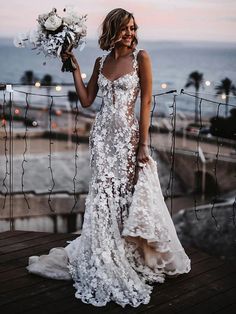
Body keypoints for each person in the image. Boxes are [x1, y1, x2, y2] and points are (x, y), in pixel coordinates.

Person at [27, 8, 191, 307]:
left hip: (127, 139)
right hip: (102, 138)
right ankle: (103, 249)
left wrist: (143, 143)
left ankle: (127, 251)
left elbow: (146, 102)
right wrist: (74, 68)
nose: (130, 32)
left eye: (132, 27)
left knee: (125, 196)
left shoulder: (142, 57)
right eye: (125, 28)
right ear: (113, 30)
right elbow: (87, 100)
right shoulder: (101, 61)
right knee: (103, 197)